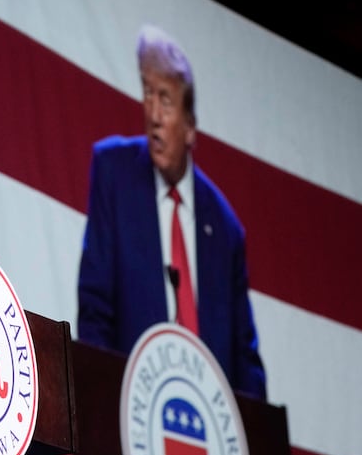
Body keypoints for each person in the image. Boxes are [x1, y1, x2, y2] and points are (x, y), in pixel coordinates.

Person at [77, 25, 266, 400]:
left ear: (192, 127)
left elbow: (244, 360)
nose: (154, 116)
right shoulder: (114, 173)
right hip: (131, 409)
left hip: (206, 424)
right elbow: (94, 309)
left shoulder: (225, 229)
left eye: (166, 101)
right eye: (148, 95)